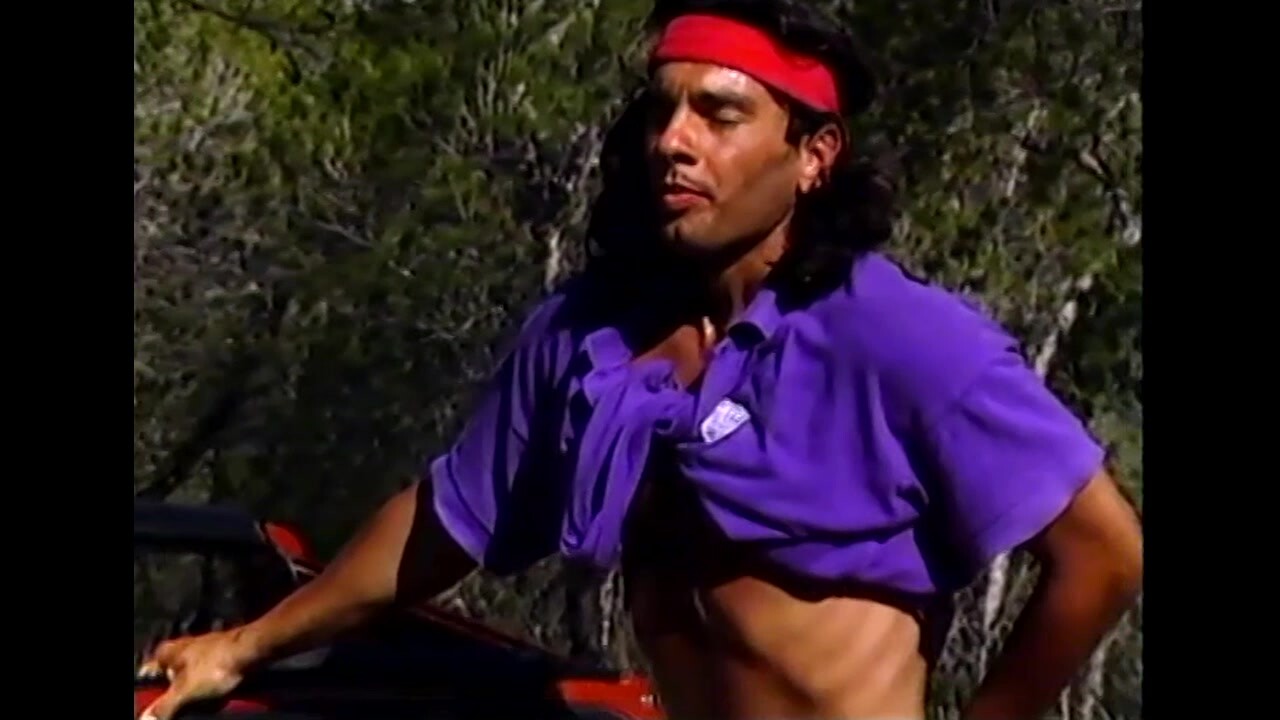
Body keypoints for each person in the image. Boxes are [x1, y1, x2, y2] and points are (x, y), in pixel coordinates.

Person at [137, 0, 1144, 718]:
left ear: (813, 156)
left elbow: (1103, 552)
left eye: (719, 114)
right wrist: (242, 646)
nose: (673, 141)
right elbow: (447, 520)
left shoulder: (900, 339)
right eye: (662, 109)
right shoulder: (591, 333)